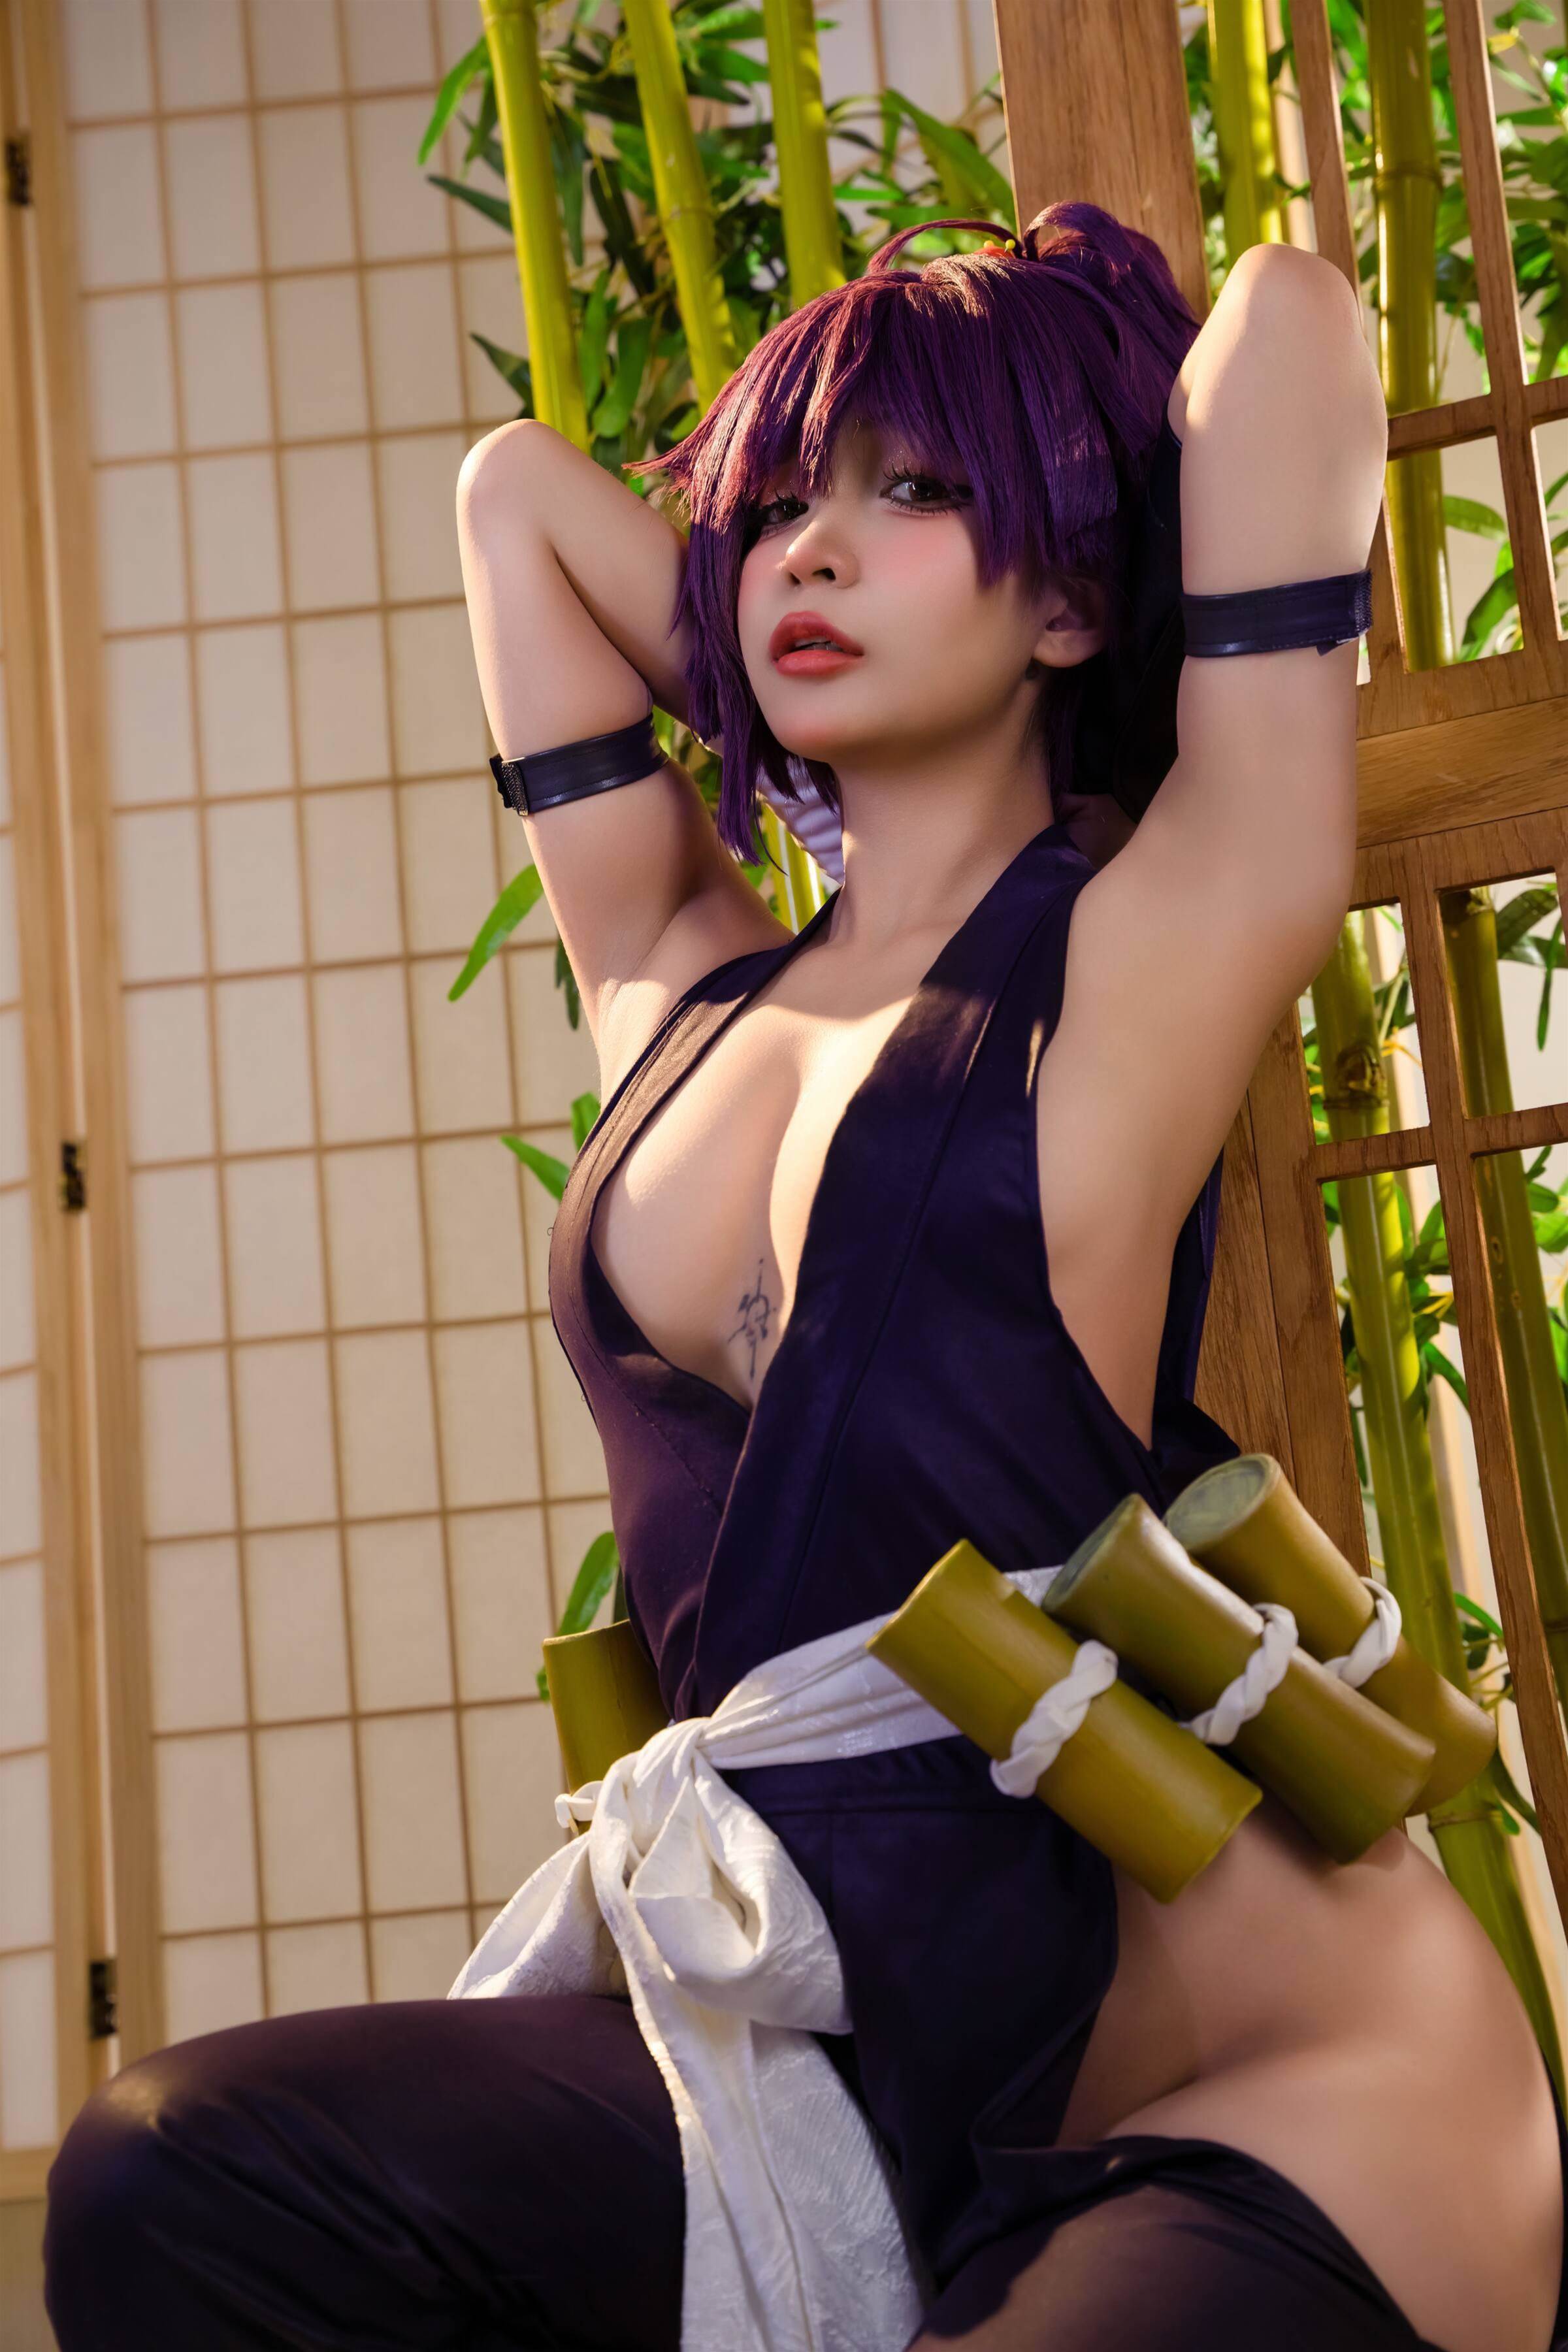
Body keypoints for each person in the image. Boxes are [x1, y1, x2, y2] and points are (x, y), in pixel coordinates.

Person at [42, 204, 1565, 2352]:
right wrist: (833, 658)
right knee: (176, 2179)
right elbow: (512, 503)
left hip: (1261, 2081)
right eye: (771, 515)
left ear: (1072, 595)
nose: (808, 555)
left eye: (914, 493)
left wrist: (1033, 551)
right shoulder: (673, 985)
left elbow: (1289, 328)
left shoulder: (1156, 934)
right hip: (843, 2067)